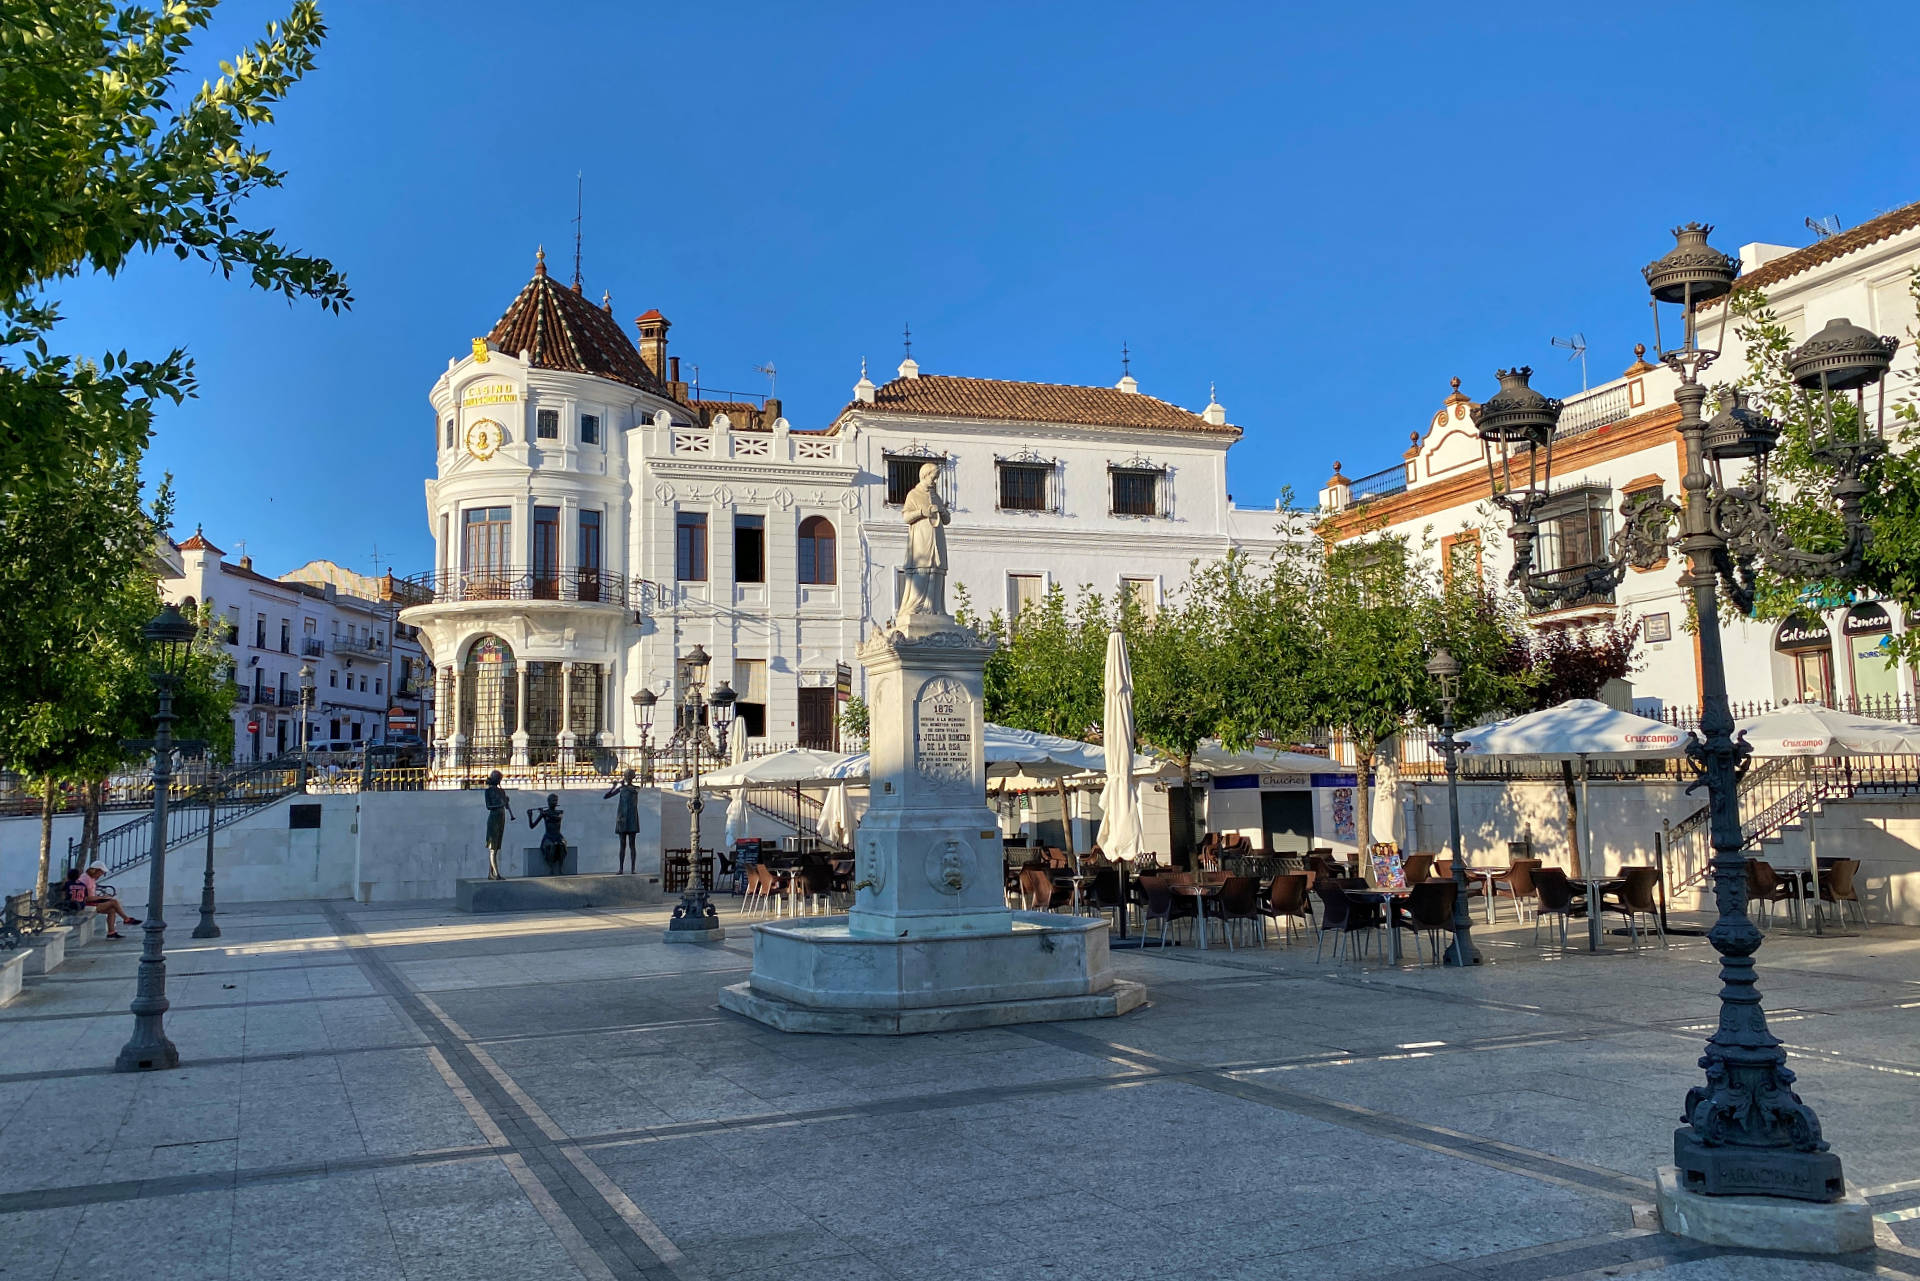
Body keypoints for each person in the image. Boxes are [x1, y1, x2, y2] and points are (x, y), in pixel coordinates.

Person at [895, 461, 951, 623]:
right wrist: (922, 512)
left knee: (937, 570)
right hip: (921, 541)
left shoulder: (936, 496)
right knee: (922, 570)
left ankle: (935, 609)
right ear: (924, 476)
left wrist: (942, 510)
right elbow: (906, 517)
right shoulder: (913, 494)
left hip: (937, 539)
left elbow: (947, 520)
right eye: (933, 478)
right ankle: (915, 607)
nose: (934, 482)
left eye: (937, 479)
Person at [74, 866, 139, 938]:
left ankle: (111, 932)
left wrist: (103, 898)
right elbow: (86, 898)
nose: (100, 875)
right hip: (86, 904)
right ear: (96, 871)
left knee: (112, 910)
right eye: (100, 873)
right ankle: (126, 919)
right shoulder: (85, 879)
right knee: (114, 902)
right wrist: (101, 897)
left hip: (92, 902)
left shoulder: (90, 878)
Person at [604, 768, 641, 873]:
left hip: (632, 819)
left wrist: (622, 786)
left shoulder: (636, 788)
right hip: (622, 819)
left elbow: (633, 790)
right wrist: (614, 787)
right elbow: (606, 796)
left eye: (630, 776)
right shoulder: (622, 788)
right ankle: (621, 868)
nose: (628, 777)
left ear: (633, 777)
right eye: (626, 776)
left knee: (632, 845)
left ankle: (633, 868)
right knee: (622, 845)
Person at [482, 771, 515, 879]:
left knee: (496, 848)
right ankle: (496, 874)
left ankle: (490, 874)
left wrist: (506, 801)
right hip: (493, 819)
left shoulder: (501, 791)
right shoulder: (488, 791)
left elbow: (506, 806)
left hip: (501, 818)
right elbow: (488, 806)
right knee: (493, 848)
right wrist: (501, 803)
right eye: (499, 778)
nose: (500, 781)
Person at [528, 793, 568, 874]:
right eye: (553, 800)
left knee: (561, 845)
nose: (555, 802)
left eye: (556, 800)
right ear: (548, 802)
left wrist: (546, 814)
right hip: (548, 836)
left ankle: (560, 868)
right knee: (552, 845)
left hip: (558, 836)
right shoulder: (544, 813)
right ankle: (551, 868)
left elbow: (557, 818)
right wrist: (530, 816)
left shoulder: (559, 812)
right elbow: (532, 826)